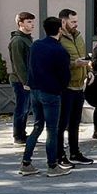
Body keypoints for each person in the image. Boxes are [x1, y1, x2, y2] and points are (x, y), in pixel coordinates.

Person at [21, 17, 73, 178]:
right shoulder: (60, 50)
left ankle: (26, 163)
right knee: (52, 130)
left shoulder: (36, 45)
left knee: (37, 126)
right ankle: (52, 165)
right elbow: (65, 76)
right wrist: (60, 88)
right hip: (51, 93)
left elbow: (30, 66)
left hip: (35, 91)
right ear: (59, 30)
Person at [55, 9, 94, 167]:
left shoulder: (78, 36)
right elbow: (58, 63)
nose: (76, 25)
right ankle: (59, 154)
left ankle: (75, 151)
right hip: (66, 86)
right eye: (73, 22)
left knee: (75, 122)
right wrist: (74, 64)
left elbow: (84, 55)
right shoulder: (58, 38)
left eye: (77, 21)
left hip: (80, 85)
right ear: (63, 22)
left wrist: (89, 71)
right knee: (62, 123)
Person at [8, 11, 35, 145]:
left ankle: (22, 134)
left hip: (27, 80)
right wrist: (26, 82)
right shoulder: (18, 40)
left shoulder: (27, 38)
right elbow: (19, 64)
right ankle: (18, 136)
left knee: (26, 108)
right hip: (20, 81)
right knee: (21, 108)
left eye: (32, 21)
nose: (32, 24)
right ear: (20, 23)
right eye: (29, 22)